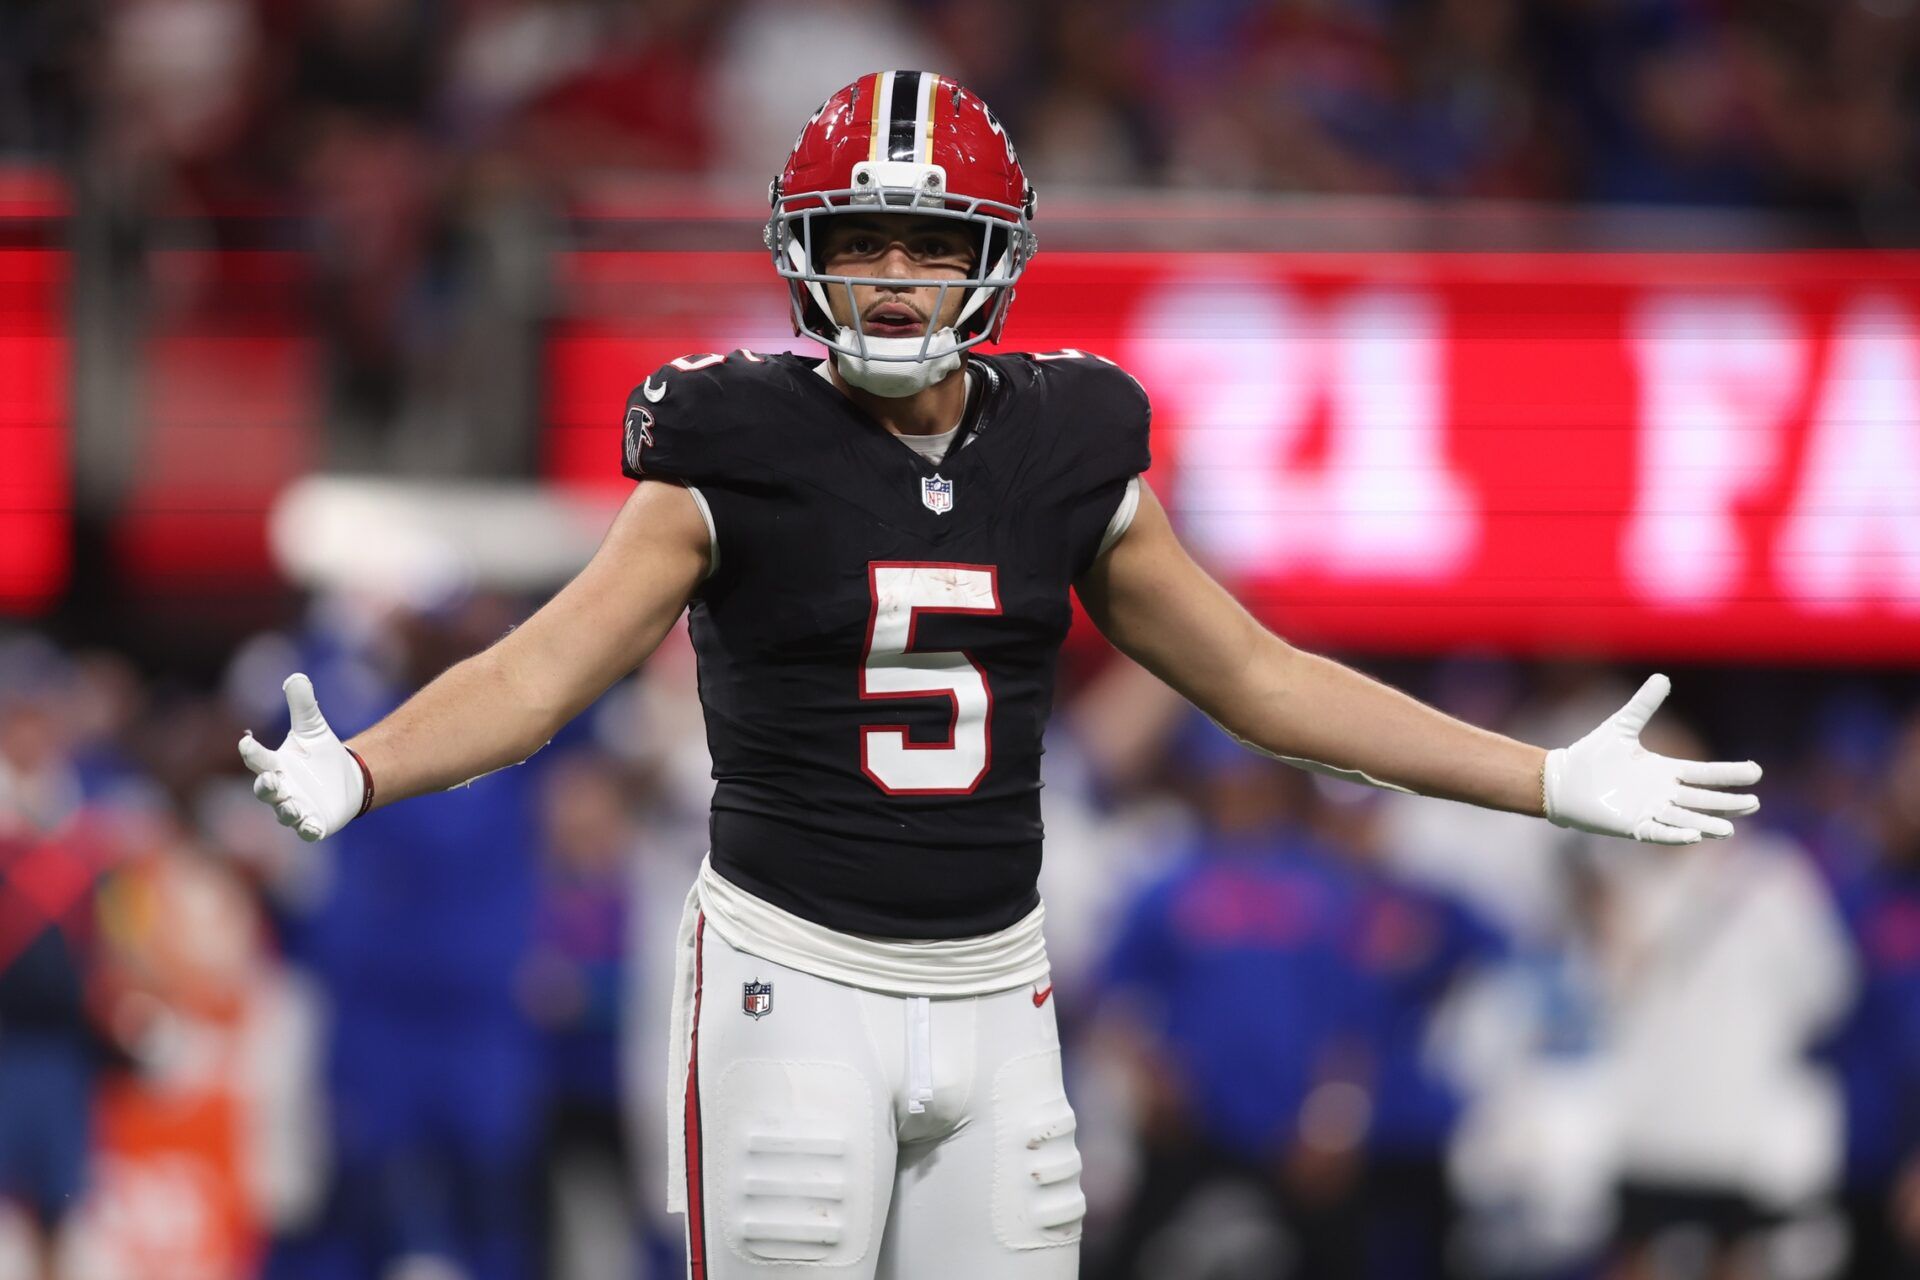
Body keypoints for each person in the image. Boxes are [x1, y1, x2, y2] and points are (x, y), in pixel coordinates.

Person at [237, 70, 1765, 1280]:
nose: (893, 278)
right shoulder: (731, 444)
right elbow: (540, 671)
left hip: (997, 985)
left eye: (927, 245)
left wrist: (1543, 778)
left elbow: (1257, 677)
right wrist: (367, 761)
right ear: (802, 251)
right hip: (794, 975)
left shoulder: (1073, 442)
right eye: (859, 241)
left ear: (994, 260)